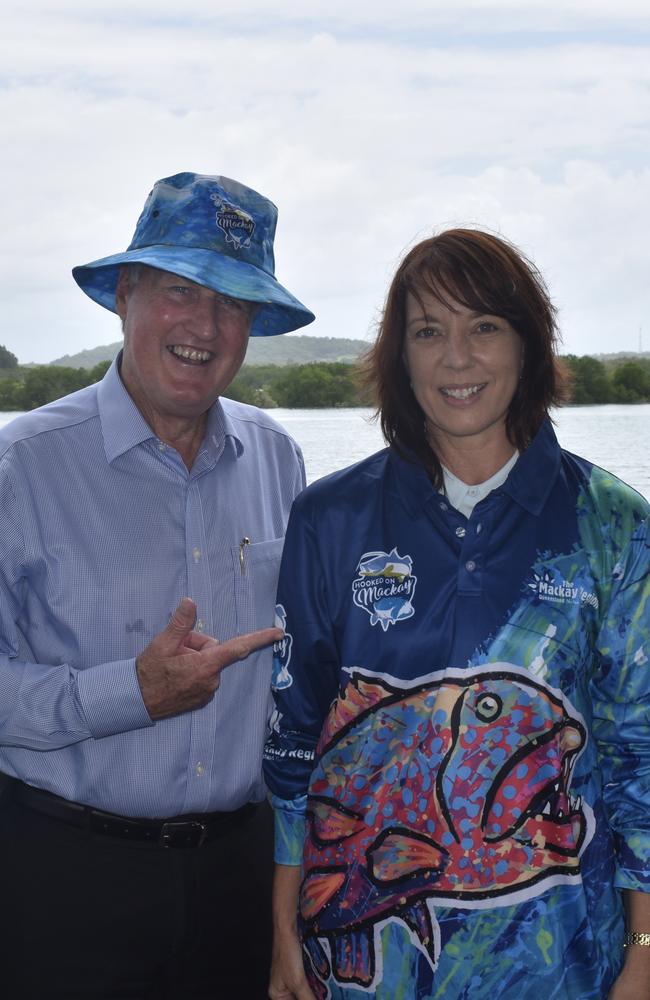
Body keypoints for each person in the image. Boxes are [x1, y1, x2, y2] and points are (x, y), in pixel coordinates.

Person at [263, 229, 650, 1000]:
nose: (457, 357)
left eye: (485, 327)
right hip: (360, 973)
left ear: (529, 345)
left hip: (570, 966)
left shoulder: (615, 523)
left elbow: (641, 759)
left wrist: (643, 954)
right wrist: (281, 935)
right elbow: (293, 751)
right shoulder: (328, 519)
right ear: (399, 358)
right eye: (427, 331)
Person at [0, 171, 314, 999]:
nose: (206, 326)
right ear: (124, 296)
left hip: (242, 880)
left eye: (235, 303)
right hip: (63, 879)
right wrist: (126, 693)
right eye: (181, 290)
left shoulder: (280, 458)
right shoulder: (20, 466)